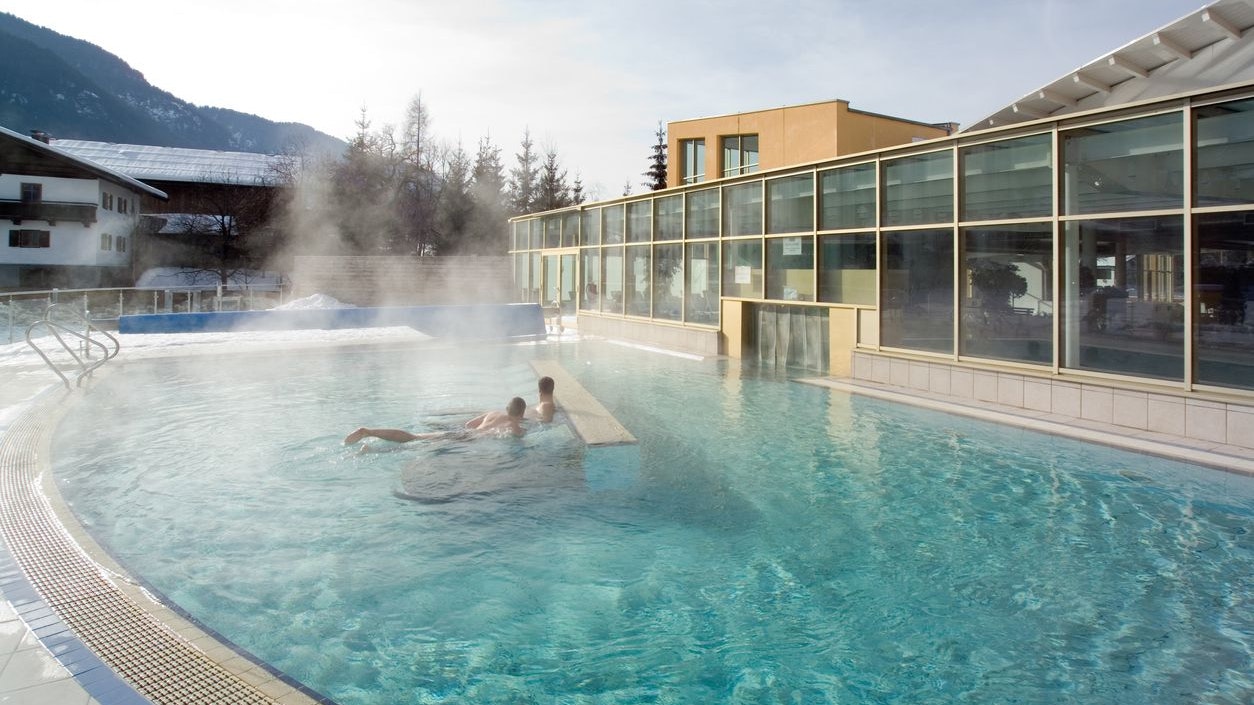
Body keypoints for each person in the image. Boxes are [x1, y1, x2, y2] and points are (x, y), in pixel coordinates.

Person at [344, 397, 527, 446]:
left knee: (416, 439)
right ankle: (370, 439)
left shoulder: (493, 413)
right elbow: (519, 437)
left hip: (465, 434)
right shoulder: (514, 425)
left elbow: (469, 424)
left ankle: (370, 434)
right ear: (521, 413)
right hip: (465, 440)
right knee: (415, 442)